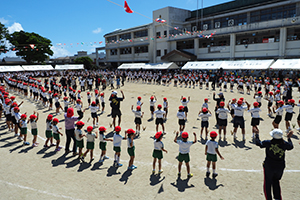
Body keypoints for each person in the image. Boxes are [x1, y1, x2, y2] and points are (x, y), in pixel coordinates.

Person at [255, 129, 293, 200]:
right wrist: (289, 138)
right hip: (280, 167)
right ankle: (278, 198)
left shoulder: (268, 143)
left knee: (267, 184)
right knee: (276, 182)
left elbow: (258, 143)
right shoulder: (284, 144)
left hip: (269, 166)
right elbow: (291, 146)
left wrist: (257, 135)